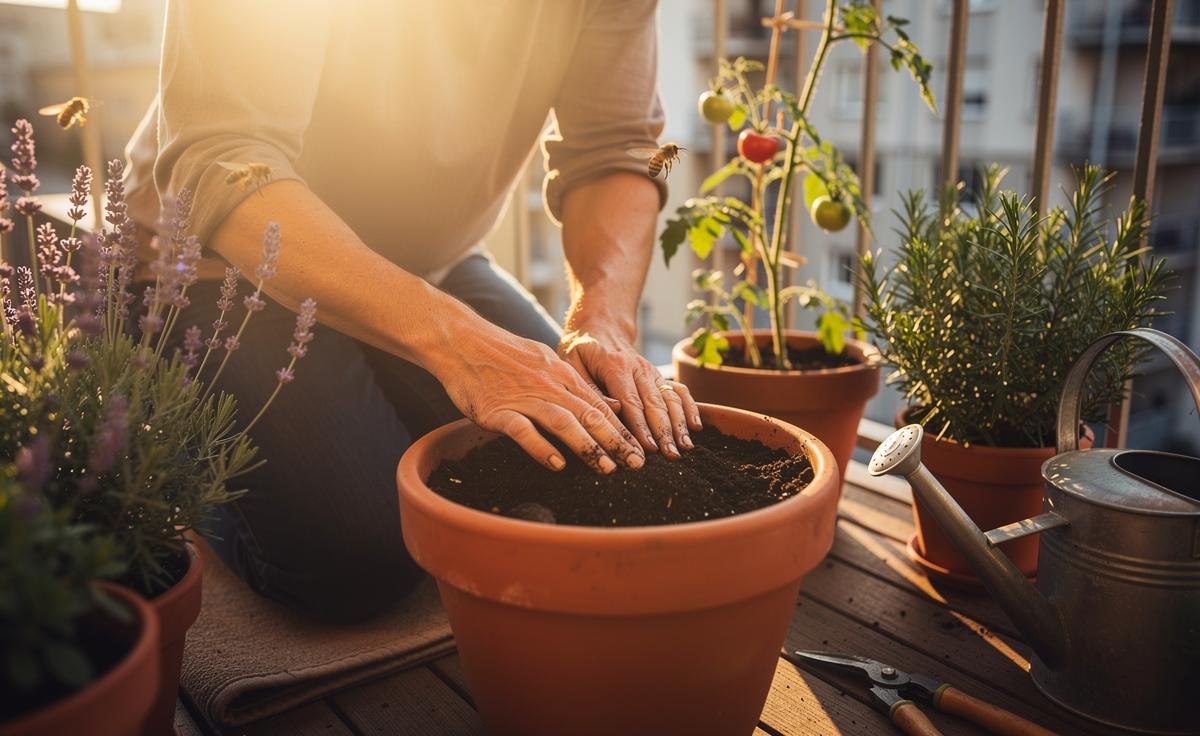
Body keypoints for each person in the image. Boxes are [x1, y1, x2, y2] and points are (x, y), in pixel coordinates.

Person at [124, 0, 699, 623]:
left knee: (589, 465)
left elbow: (614, 150)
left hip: (431, 265)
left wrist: (603, 321)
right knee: (357, 554)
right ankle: (148, 436)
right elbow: (225, 158)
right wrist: (460, 344)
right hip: (218, 271)